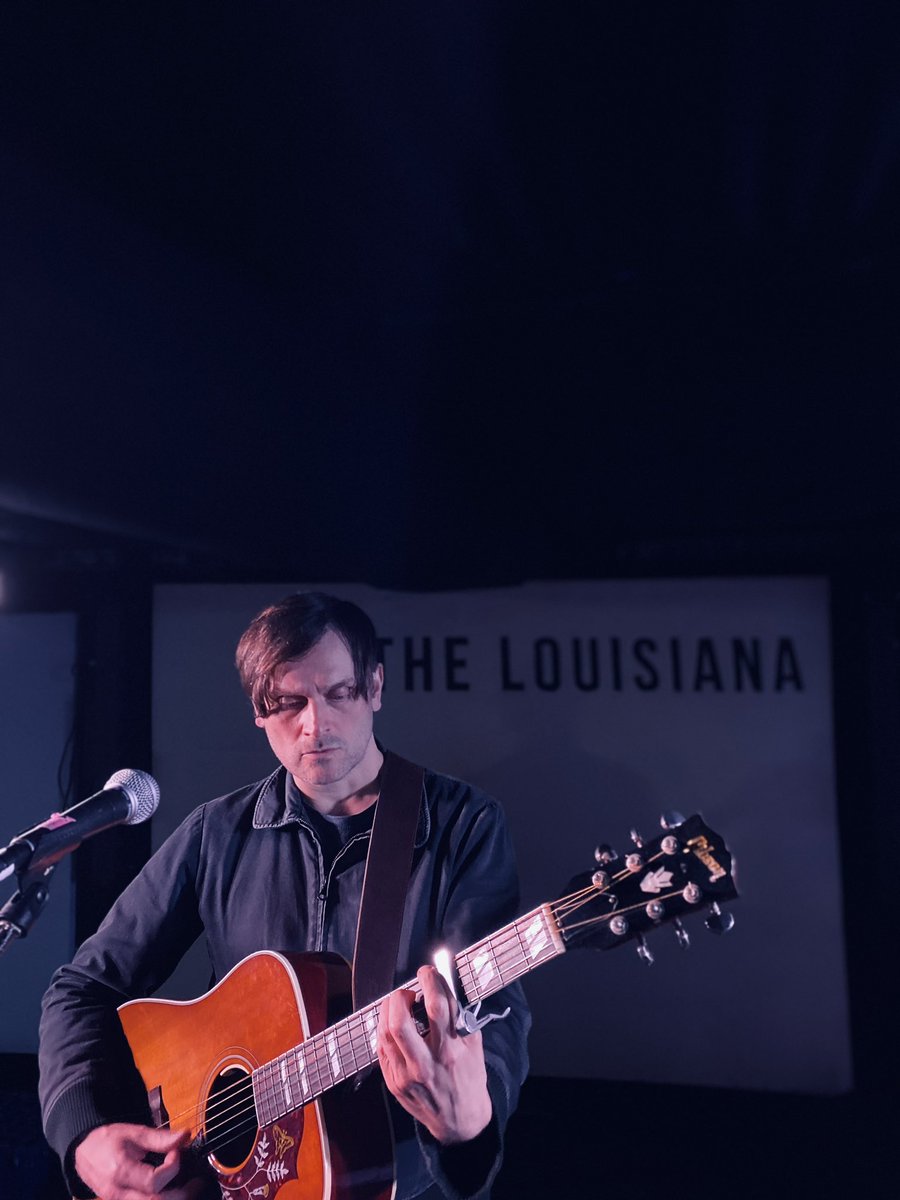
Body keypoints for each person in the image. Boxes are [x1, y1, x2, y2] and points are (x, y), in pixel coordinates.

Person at [39, 591, 530, 1200]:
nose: (315, 724)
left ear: (375, 687)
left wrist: (472, 1129)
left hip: (390, 1183)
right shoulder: (216, 834)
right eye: (288, 702)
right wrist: (83, 1135)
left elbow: (497, 1011)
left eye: (339, 693)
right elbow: (81, 988)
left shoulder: (462, 825)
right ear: (257, 711)